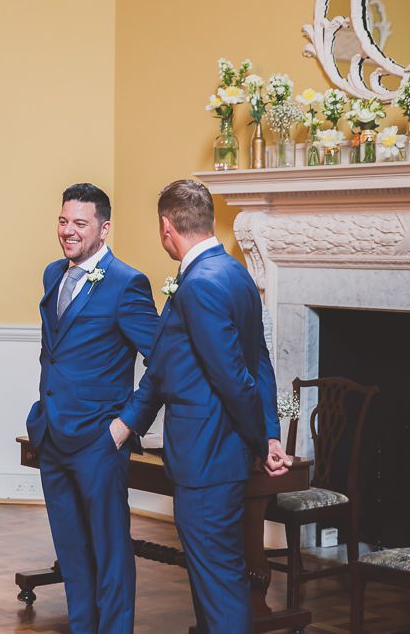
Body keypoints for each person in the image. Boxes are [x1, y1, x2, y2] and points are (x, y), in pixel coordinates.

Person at [115, 179, 292, 633]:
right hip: (224, 453)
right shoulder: (236, 274)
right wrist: (270, 433)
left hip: (206, 457)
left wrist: (261, 440)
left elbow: (232, 377)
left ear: (166, 226)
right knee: (221, 577)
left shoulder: (198, 285)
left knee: (217, 582)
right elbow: (261, 361)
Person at [26, 183, 158, 634]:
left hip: (100, 442)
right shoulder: (52, 274)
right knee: (72, 551)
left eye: (79, 223)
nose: (68, 231)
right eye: (63, 221)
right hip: (52, 435)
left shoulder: (127, 284)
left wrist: (126, 425)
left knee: (111, 550)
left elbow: (163, 360)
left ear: (104, 228)